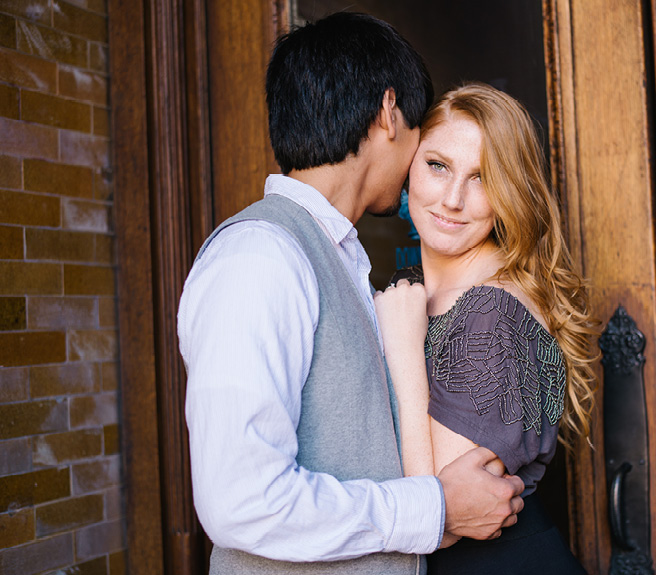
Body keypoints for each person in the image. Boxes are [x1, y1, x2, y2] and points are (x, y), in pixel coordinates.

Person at [177, 14, 524, 575]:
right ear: (390, 113)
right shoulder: (260, 257)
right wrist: (433, 508)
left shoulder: (335, 255)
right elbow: (241, 502)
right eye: (424, 146)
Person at [374, 83, 596, 574]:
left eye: (482, 178)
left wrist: (406, 352)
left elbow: (435, 512)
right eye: (438, 166)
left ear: (509, 194)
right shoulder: (414, 292)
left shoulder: (493, 313)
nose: (452, 199)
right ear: (409, 164)